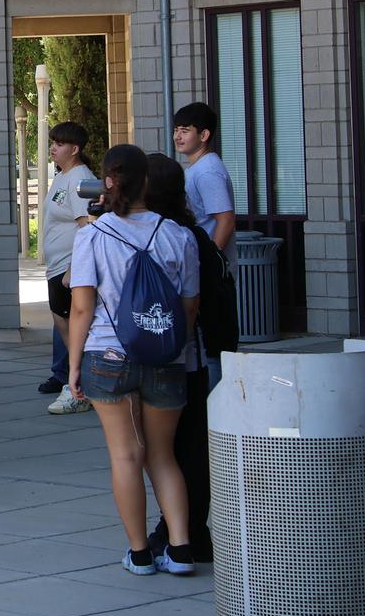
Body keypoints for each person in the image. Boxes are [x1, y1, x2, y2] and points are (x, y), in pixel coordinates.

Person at [66, 144, 201, 577]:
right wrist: (171, 345)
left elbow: (81, 307)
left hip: (108, 356)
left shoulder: (93, 235)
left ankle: (140, 554)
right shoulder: (178, 235)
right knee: (163, 456)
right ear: (146, 181)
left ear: (107, 182)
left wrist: (73, 366)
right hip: (165, 357)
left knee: (126, 456)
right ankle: (180, 550)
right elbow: (189, 305)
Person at [143, 153, 230, 562]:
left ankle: (181, 530)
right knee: (188, 447)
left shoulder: (171, 236)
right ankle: (189, 530)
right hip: (197, 355)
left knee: (174, 451)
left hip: (181, 356)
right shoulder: (191, 234)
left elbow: (191, 305)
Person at [41, 123, 99, 414]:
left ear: (75, 149)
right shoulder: (64, 175)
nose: (53, 147)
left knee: (74, 330)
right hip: (58, 267)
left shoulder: (81, 179)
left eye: (60, 143)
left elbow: (90, 226)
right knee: (64, 325)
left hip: (69, 269)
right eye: (53, 142)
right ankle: (82, 384)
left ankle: (82, 388)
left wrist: (74, 268)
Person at [173, 102, 237, 259]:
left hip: (209, 266)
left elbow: (226, 220)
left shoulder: (207, 171)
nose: (177, 137)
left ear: (204, 135)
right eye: (175, 130)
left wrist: (213, 260)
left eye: (184, 131)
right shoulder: (200, 167)